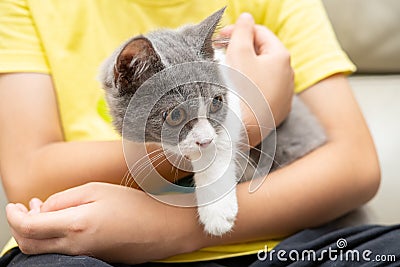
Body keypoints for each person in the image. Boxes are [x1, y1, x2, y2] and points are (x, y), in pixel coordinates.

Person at [0, 0, 380, 266]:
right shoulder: (28, 5)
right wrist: (256, 116)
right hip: (96, 245)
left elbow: (357, 167)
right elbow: (28, 178)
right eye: (175, 116)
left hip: (285, 238)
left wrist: (171, 226)